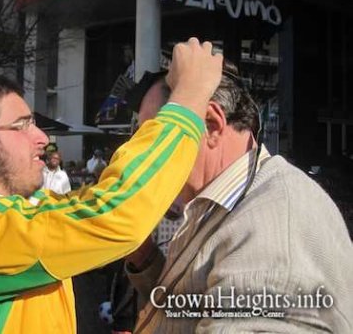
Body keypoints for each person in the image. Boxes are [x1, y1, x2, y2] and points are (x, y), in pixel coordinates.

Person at [0, 38, 223, 333]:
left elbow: (97, 203)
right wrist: (188, 98)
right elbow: (114, 215)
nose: (43, 138)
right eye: (22, 125)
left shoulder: (13, 212)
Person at [125, 62, 353, 333]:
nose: (141, 159)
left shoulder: (273, 225)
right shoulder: (227, 201)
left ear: (211, 125)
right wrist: (145, 259)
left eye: (154, 139)